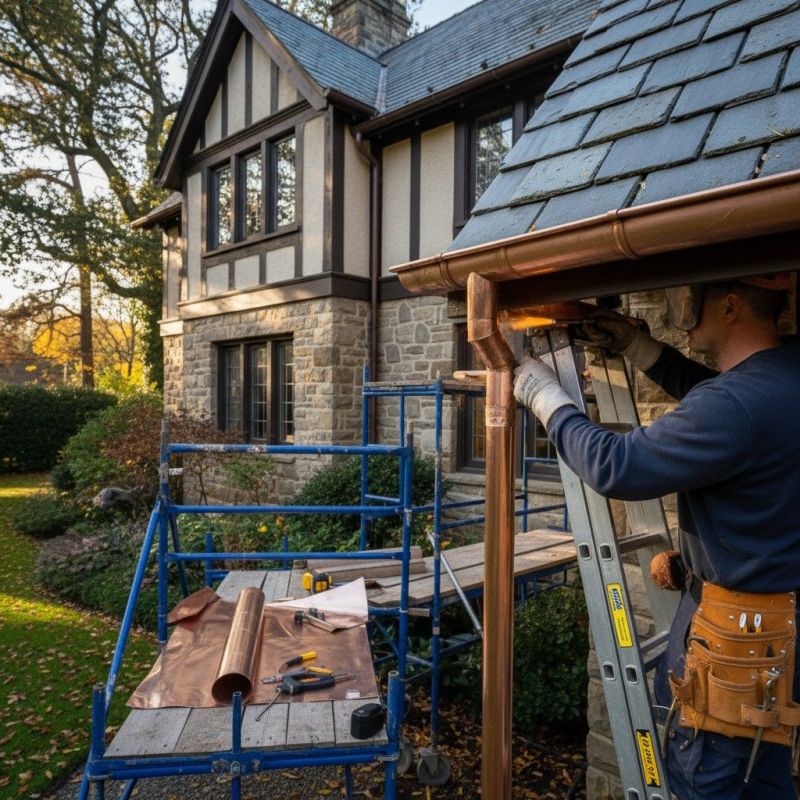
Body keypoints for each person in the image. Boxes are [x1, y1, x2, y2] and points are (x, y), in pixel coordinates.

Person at [513, 275, 800, 800]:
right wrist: (643, 350)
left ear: (732, 305)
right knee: (763, 779)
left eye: (692, 302)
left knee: (705, 782)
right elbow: (729, 402)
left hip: (733, 652)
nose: (681, 310)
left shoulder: (736, 404)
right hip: (781, 639)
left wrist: (546, 399)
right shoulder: (785, 374)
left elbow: (615, 465)